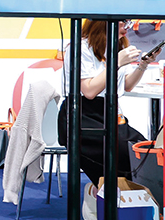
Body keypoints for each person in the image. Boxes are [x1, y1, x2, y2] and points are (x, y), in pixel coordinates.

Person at [57, 19, 160, 185]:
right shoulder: (80, 48)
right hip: (83, 117)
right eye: (123, 22)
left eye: (128, 22)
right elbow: (89, 91)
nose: (127, 27)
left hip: (110, 115)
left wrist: (143, 64)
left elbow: (127, 85)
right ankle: (110, 193)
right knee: (127, 155)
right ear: (104, 22)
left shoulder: (117, 46)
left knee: (143, 150)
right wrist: (116, 62)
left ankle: (121, 193)